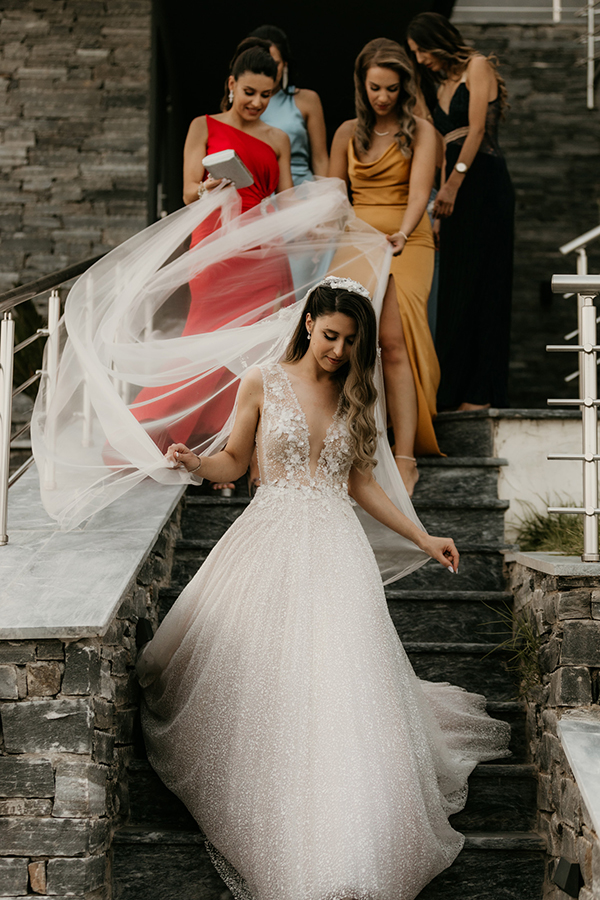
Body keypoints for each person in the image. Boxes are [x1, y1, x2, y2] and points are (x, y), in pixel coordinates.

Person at [137, 276, 510, 900]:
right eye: (330, 336)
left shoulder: (355, 395)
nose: (337, 351)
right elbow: (233, 460)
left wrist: (422, 537)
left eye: (349, 342)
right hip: (270, 535)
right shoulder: (262, 380)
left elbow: (362, 483)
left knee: (342, 678)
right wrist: (195, 463)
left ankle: (345, 819)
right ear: (309, 323)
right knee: (269, 672)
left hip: (336, 545)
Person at [133, 36, 294, 494]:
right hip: (217, 248)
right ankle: (158, 431)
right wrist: (211, 187)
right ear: (230, 84)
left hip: (264, 253)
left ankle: (231, 455)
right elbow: (187, 191)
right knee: (203, 343)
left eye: (266, 95)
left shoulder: (278, 138)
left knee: (255, 356)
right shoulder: (202, 125)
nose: (256, 102)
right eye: (249, 92)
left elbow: (283, 200)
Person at [329, 38, 442, 497]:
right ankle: (350, 447)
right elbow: (334, 198)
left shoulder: (423, 131)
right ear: (362, 84)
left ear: (404, 87)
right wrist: (353, 231)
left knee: (394, 341)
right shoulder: (344, 133)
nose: (382, 97)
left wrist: (402, 231)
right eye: (375, 87)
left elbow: (419, 195)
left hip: (407, 241)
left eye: (392, 89)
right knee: (346, 341)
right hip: (355, 241)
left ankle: (405, 456)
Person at [407, 12, 514, 410]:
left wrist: (453, 183)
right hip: (452, 191)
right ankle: (452, 391)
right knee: (456, 289)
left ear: (437, 41)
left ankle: (482, 393)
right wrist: (437, 206)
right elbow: (440, 148)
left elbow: (478, 132)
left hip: (484, 184)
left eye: (421, 52)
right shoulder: (438, 85)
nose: (420, 61)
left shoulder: (477, 66)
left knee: (488, 285)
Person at [249, 24, 329, 184]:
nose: (268, 70)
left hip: (301, 193)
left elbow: (320, 159)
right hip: (258, 194)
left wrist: (327, 198)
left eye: (274, 64)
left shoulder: (307, 100)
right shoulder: (241, 105)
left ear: (285, 64)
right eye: (261, 64)